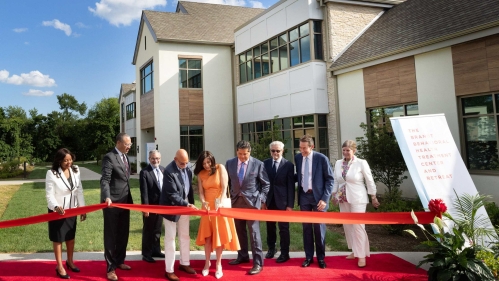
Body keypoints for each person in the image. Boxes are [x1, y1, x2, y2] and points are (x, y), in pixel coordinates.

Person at [332, 140, 380, 268]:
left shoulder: (361, 163)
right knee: (348, 226)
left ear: (354, 150)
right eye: (344, 150)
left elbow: (369, 180)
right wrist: (333, 193)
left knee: (358, 226)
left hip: (358, 198)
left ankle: (362, 255)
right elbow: (336, 180)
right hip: (343, 198)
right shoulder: (338, 163)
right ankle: (355, 251)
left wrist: (373, 197)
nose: (345, 152)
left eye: (348, 150)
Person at [226, 140, 269, 275]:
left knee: (254, 233)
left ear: (249, 152)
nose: (242, 157)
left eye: (245, 154)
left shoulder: (258, 164)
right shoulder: (230, 163)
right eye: (240, 154)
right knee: (239, 231)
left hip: (252, 204)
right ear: (236, 152)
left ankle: (258, 263)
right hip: (236, 202)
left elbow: (266, 184)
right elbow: (227, 182)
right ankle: (242, 256)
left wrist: (261, 199)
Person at [194, 151, 240, 279]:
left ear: (212, 160)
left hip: (219, 206)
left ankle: (219, 264)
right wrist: (203, 202)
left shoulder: (220, 168)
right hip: (207, 207)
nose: (206, 165)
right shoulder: (201, 174)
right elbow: (201, 192)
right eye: (203, 163)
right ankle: (207, 263)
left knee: (219, 236)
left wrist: (219, 201)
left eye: (208, 162)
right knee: (208, 237)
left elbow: (225, 187)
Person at [45, 148, 86, 279]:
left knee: (70, 237)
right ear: (59, 161)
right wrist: (55, 206)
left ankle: (70, 261)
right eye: (65, 160)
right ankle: (60, 266)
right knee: (58, 239)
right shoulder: (51, 173)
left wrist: (82, 208)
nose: (69, 162)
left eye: (70, 159)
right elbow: (49, 195)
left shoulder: (76, 170)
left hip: (72, 209)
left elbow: (79, 190)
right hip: (57, 211)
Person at [295, 134, 334, 269]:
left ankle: (321, 258)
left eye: (304, 148)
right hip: (304, 196)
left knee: (319, 229)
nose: (302, 151)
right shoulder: (298, 158)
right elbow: (299, 176)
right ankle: (308, 257)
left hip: (319, 198)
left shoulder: (322, 159)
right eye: (300, 148)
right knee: (306, 229)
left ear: (312, 146)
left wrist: (325, 199)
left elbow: (330, 180)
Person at [160, 149, 198, 281]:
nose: (185, 165)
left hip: (185, 206)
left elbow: (189, 189)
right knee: (170, 239)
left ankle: (184, 263)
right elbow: (172, 194)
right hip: (171, 208)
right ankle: (169, 270)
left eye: (187, 163)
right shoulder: (169, 171)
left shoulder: (187, 169)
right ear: (175, 159)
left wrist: (190, 203)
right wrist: (186, 204)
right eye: (182, 163)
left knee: (185, 236)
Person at [100, 133, 134, 281]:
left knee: (123, 233)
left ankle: (120, 261)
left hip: (125, 202)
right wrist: (107, 196)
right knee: (111, 236)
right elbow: (105, 180)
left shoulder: (126, 158)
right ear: (118, 143)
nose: (129, 147)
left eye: (130, 144)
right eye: (127, 144)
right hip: (112, 203)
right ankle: (110, 268)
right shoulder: (109, 157)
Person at [263, 141, 295, 263]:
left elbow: (291, 187)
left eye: (278, 151)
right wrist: (263, 201)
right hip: (269, 201)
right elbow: (262, 183)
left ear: (282, 151)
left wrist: (290, 205)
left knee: (284, 228)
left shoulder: (288, 165)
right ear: (270, 151)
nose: (275, 153)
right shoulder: (265, 164)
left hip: (283, 202)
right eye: (273, 151)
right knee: (270, 227)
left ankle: (285, 252)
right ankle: (271, 249)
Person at [139, 150, 166, 263]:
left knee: (157, 229)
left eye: (158, 158)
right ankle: (146, 253)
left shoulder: (163, 170)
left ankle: (156, 250)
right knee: (148, 230)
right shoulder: (144, 172)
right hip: (150, 206)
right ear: (149, 159)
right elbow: (144, 192)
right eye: (153, 158)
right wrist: (145, 208)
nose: (156, 160)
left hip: (161, 206)